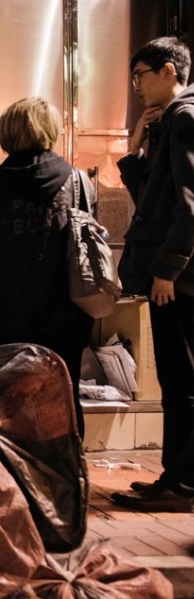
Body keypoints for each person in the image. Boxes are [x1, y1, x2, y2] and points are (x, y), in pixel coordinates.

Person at [0, 97, 93, 437]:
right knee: (64, 394)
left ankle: (18, 463)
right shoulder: (77, 181)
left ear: (7, 134)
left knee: (14, 398)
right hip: (69, 310)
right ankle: (67, 463)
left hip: (11, 312)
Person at [111, 36, 194, 512]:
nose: (136, 86)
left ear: (168, 71)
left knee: (182, 381)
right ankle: (175, 476)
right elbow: (155, 199)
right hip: (176, 275)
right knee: (176, 381)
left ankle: (183, 485)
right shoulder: (172, 121)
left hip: (180, 280)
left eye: (140, 75)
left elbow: (189, 205)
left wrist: (169, 268)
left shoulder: (186, 116)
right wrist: (137, 148)